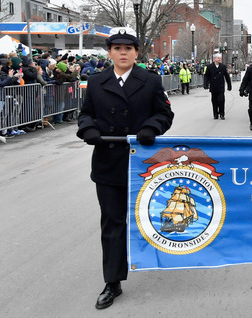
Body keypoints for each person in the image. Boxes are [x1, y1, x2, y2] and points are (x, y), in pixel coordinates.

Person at [76, 29, 174, 310]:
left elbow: (165, 113)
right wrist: (89, 130)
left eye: (128, 49)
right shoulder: (96, 82)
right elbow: (85, 114)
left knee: (152, 218)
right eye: (117, 48)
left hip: (143, 164)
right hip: (108, 163)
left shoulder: (151, 81)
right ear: (109, 53)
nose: (122, 53)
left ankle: (158, 262)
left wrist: (151, 128)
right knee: (112, 222)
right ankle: (113, 281)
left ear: (136, 53)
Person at [203, 53, 232, 120]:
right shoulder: (210, 67)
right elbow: (206, 76)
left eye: (220, 58)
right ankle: (215, 114)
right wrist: (205, 84)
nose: (220, 59)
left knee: (221, 100)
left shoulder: (223, 67)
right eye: (218, 58)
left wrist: (229, 85)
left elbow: (227, 76)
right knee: (214, 101)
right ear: (214, 59)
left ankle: (222, 113)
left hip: (221, 86)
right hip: (213, 86)